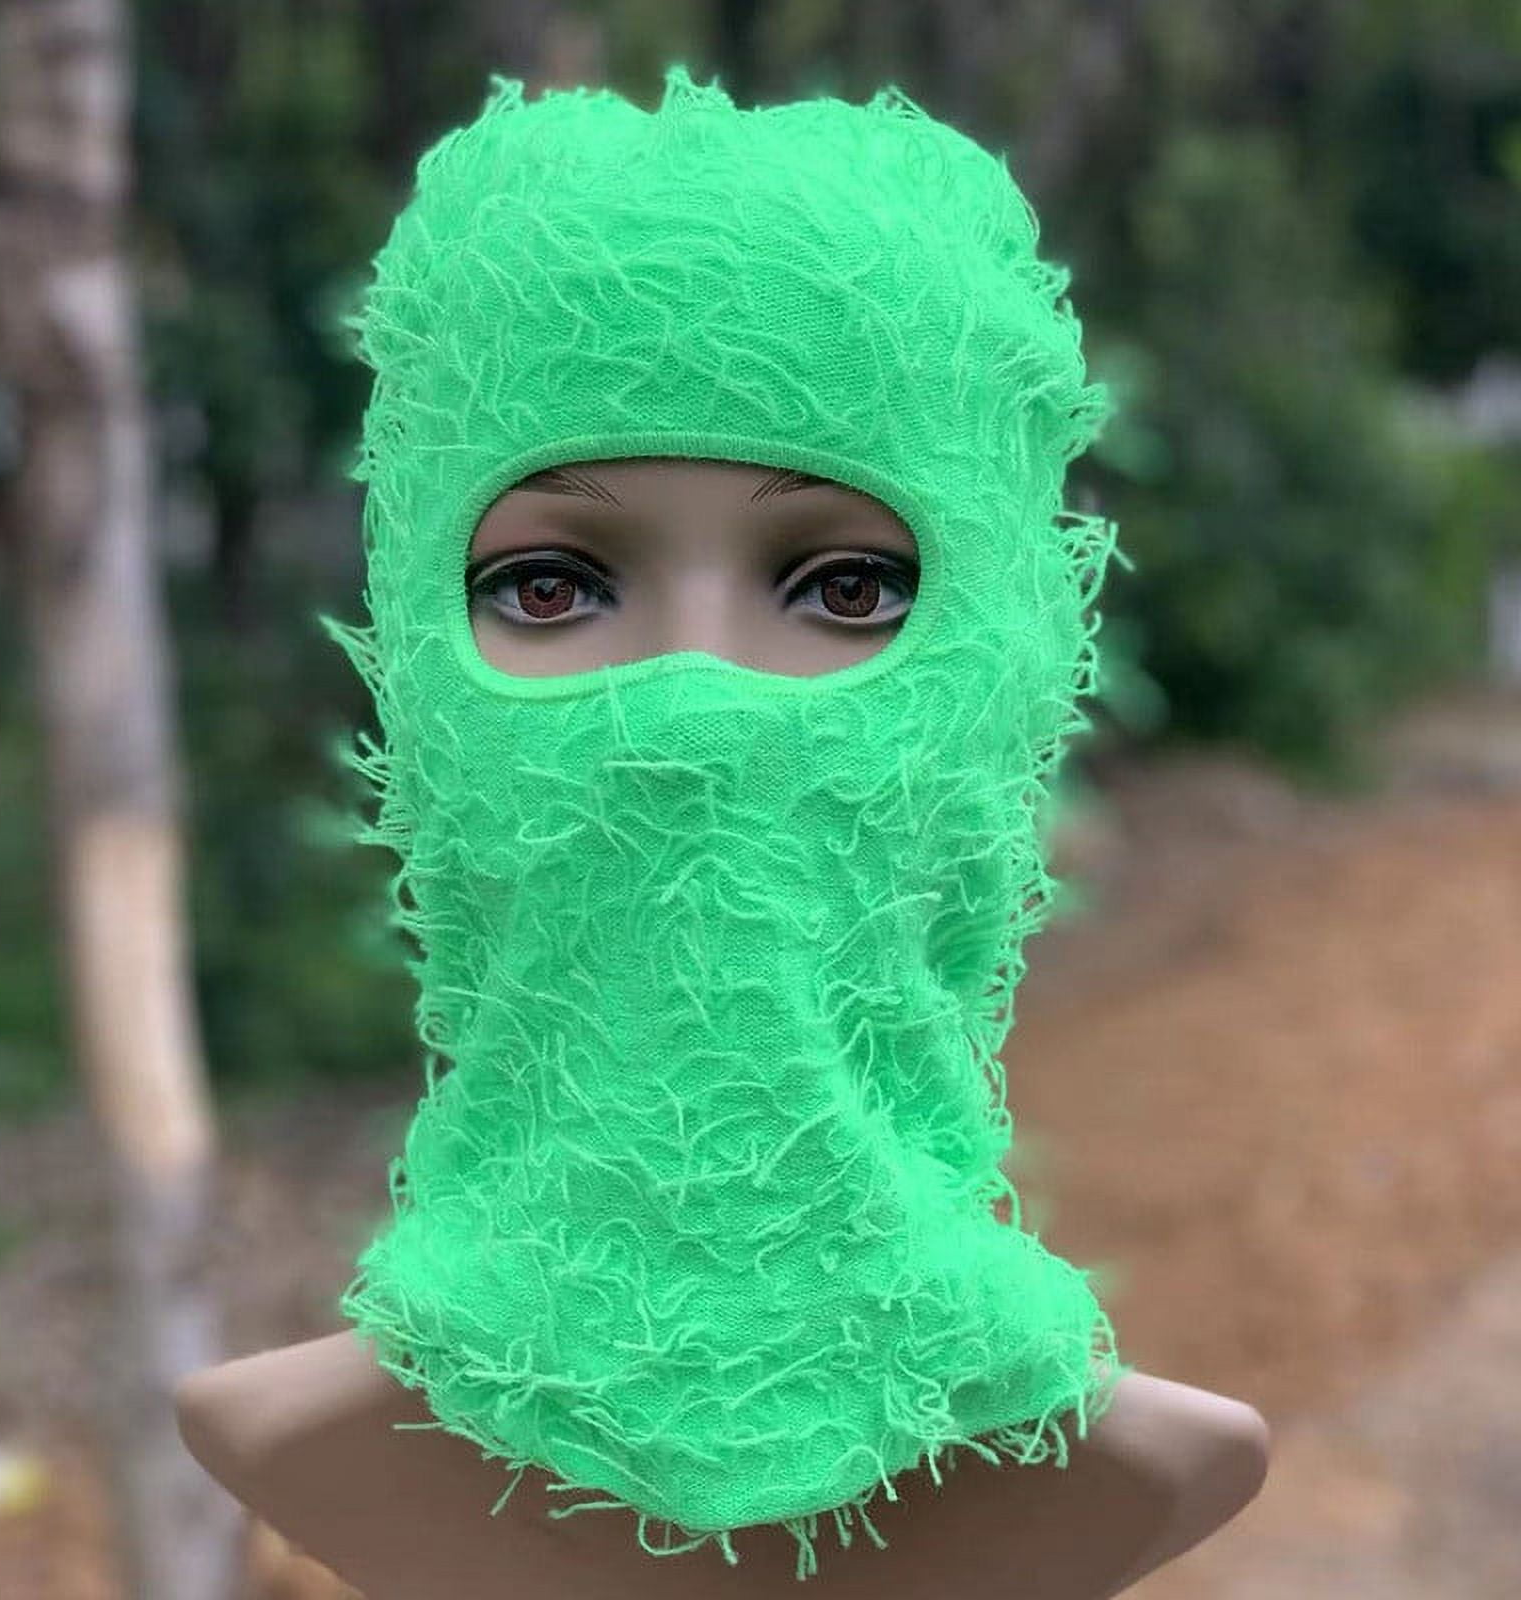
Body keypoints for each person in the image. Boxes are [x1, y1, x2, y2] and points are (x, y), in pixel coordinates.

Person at [178, 66, 1270, 1598]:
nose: (690, 715)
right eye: (552, 585)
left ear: (1016, 665)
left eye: (846, 588)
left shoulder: (1152, 1468)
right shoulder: (287, 1440)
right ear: (410, 661)